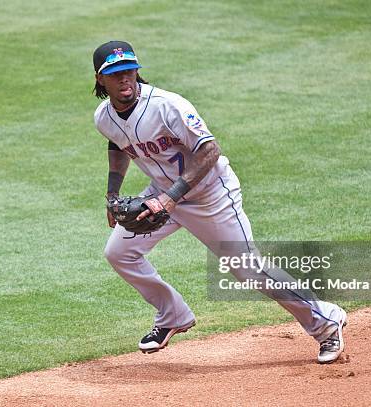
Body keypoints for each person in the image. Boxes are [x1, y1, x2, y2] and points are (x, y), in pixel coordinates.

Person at [92, 40, 347, 364]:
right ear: (101, 80)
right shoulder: (104, 117)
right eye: (115, 74)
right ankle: (172, 314)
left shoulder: (168, 106)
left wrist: (170, 199)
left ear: (137, 71)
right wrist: (112, 194)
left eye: (129, 71)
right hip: (163, 193)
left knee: (249, 271)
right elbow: (117, 143)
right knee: (119, 252)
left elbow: (209, 151)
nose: (124, 80)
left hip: (211, 196)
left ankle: (325, 322)